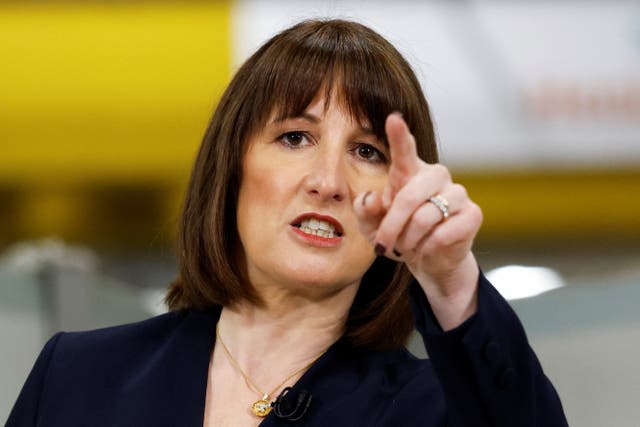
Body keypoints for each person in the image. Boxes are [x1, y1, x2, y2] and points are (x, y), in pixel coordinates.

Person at [7, 19, 568, 426]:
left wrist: (451, 278)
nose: (329, 181)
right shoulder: (77, 375)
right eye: (295, 137)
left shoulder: (432, 409)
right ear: (233, 167)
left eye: (368, 152)